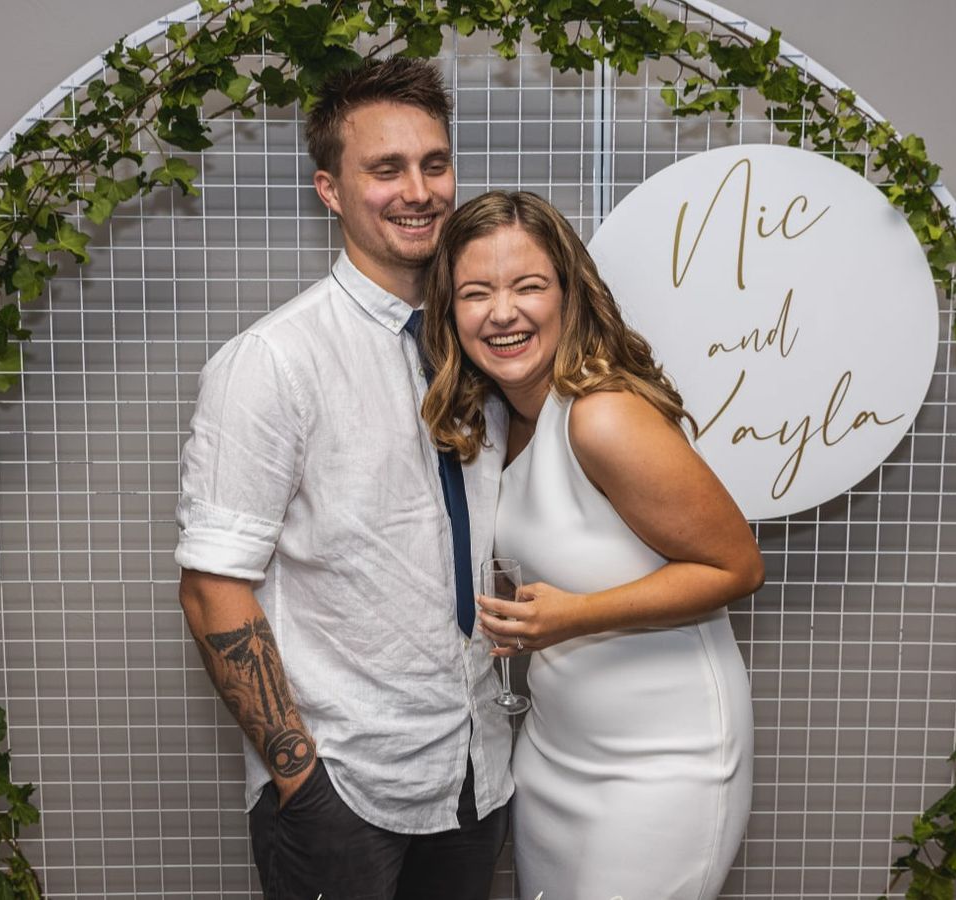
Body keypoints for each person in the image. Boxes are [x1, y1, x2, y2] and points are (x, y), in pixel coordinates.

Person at [174, 59, 513, 900]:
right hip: (346, 791)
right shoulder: (273, 362)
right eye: (385, 169)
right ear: (329, 189)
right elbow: (212, 586)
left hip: (476, 772)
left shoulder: (484, 347)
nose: (419, 191)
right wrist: (300, 778)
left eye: (434, 163)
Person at [421, 190, 764, 899]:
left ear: (569, 295)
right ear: (450, 314)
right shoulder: (495, 424)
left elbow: (737, 566)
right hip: (552, 757)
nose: (502, 312)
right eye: (476, 293)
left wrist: (572, 617)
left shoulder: (602, 416)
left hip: (662, 766)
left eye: (528, 286)